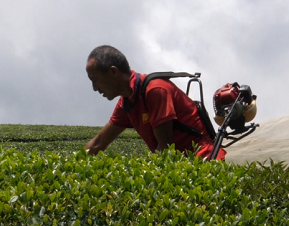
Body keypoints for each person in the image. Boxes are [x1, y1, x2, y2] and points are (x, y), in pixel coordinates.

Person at [84, 45, 223, 159]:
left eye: (95, 80)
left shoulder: (155, 90)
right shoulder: (126, 103)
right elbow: (98, 143)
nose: (94, 88)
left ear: (113, 72)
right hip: (183, 167)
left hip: (205, 161)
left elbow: (165, 148)